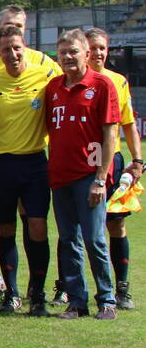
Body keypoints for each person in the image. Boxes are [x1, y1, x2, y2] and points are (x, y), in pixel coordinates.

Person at [0, 24, 57, 315]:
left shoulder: (45, 76)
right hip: (3, 164)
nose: (12, 54)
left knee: (37, 228)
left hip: (35, 163)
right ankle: (11, 293)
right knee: (7, 229)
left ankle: (37, 293)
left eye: (16, 48)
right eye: (5, 50)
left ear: (25, 48)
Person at [45, 29, 119, 321]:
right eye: (62, 53)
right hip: (60, 177)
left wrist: (100, 178)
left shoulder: (101, 85)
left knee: (95, 240)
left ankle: (108, 299)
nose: (67, 57)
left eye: (73, 52)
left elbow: (109, 133)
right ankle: (77, 302)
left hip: (89, 176)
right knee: (68, 240)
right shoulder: (53, 88)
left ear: (87, 54)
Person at [87, 27, 142, 310]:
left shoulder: (118, 81)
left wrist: (138, 160)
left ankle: (122, 288)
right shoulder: (72, 80)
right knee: (72, 226)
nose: (98, 53)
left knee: (116, 222)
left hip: (114, 162)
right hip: (81, 161)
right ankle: (64, 287)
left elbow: (129, 124)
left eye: (102, 48)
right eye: (93, 47)